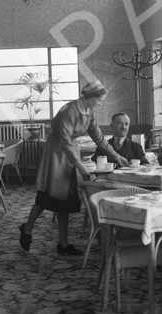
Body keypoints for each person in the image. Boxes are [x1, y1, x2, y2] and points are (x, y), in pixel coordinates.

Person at [19, 81, 130, 255]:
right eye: (99, 100)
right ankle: (27, 229)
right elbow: (64, 141)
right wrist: (79, 165)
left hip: (70, 154)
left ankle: (63, 244)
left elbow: (99, 138)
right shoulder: (69, 111)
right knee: (46, 197)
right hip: (56, 154)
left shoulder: (89, 113)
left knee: (66, 200)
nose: (101, 104)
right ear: (90, 97)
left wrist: (117, 156)